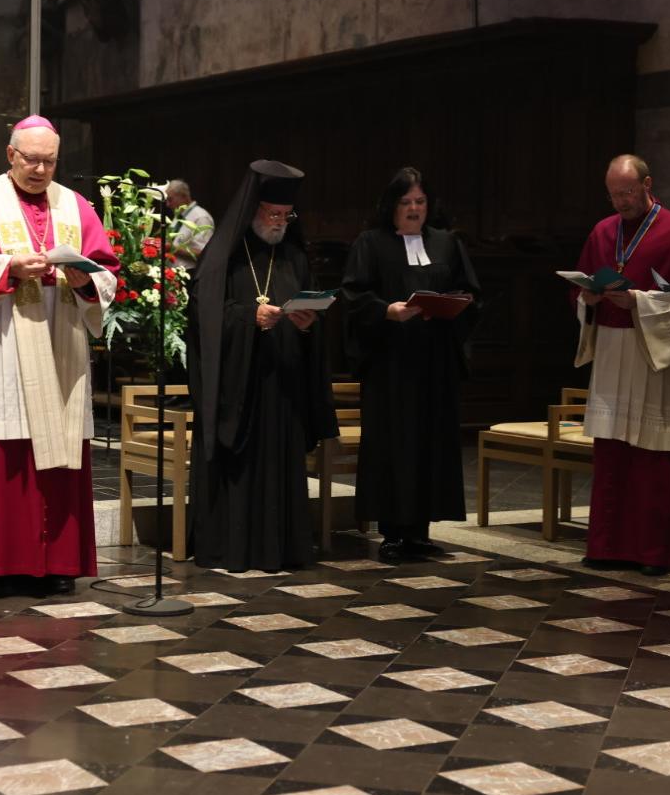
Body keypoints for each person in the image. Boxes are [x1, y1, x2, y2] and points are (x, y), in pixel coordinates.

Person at [0, 115, 117, 596]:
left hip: (60, 345)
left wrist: (85, 281)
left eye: (49, 161)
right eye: (31, 159)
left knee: (57, 450)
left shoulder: (75, 206)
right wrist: (10, 266)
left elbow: (107, 273)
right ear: (10, 155)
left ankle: (56, 562)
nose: (40, 170)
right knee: (3, 447)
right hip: (1, 345)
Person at [187, 160, 338, 572]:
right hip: (238, 388)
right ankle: (232, 549)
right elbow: (203, 314)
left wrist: (309, 325)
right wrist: (247, 319)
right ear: (253, 209)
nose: (279, 222)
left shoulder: (293, 256)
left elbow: (311, 311)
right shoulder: (224, 254)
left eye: (286, 215)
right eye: (273, 214)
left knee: (281, 468)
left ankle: (282, 549)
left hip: (284, 386)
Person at [572, 153, 670, 576]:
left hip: (656, 354)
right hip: (613, 350)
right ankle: (607, 545)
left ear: (648, 184)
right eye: (614, 194)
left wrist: (637, 301)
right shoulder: (602, 231)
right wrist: (587, 298)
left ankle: (655, 550)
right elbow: (579, 285)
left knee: (654, 454)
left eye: (628, 192)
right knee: (613, 452)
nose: (621, 202)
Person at [342, 167, 481, 561]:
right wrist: (388, 311)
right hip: (391, 364)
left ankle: (420, 531)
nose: (414, 209)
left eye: (420, 202)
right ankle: (392, 532)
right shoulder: (371, 243)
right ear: (391, 205)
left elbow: (472, 292)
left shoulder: (447, 243)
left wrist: (457, 304)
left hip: (434, 362)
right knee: (394, 445)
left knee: (430, 445)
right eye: (406, 202)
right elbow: (353, 297)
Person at [165, 179, 214, 269]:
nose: (167, 204)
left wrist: (173, 248)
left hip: (191, 275)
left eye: (170, 199)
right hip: (173, 274)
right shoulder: (179, 215)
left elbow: (205, 255)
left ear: (184, 196)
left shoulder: (201, 217)